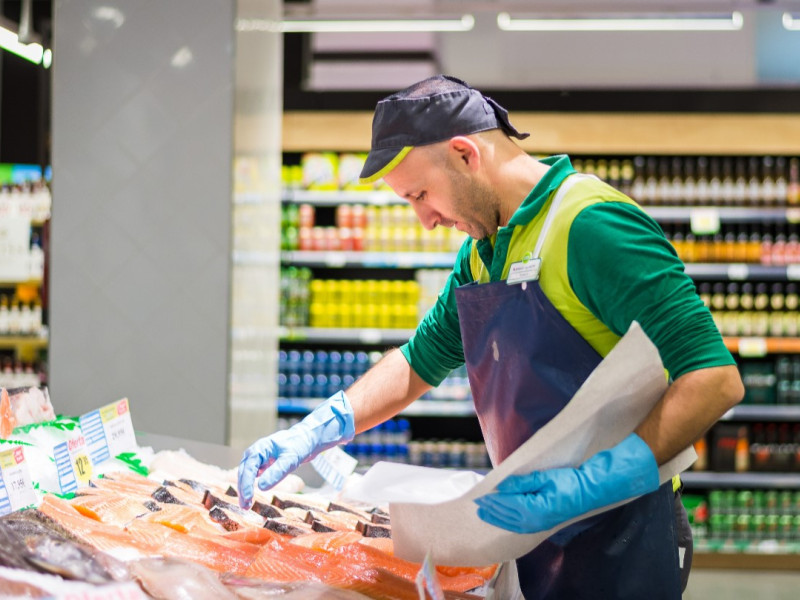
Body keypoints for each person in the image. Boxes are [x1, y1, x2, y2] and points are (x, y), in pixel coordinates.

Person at [238, 75, 744, 599]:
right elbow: (420, 359)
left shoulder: (591, 225)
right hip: (532, 529)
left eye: (420, 194)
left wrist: (589, 484)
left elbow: (713, 378)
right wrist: (324, 424)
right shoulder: (481, 251)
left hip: (625, 536)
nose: (426, 220)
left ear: (464, 154)